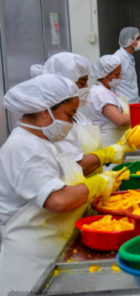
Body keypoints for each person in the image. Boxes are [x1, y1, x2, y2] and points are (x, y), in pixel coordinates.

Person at [0, 75, 129, 294]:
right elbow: (58, 200)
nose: (70, 123)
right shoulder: (22, 148)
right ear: (44, 110)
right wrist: (99, 183)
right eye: (69, 115)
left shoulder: (45, 143)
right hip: (32, 265)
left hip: (54, 252)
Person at [30, 53, 140, 177]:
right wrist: (110, 153)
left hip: (90, 177)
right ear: (61, 85)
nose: (87, 88)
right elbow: (74, 166)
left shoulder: (78, 117)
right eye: (82, 84)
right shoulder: (55, 124)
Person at [88, 55, 131, 148]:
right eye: (116, 75)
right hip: (108, 144)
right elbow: (119, 120)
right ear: (104, 74)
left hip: (117, 142)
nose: (120, 78)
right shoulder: (100, 93)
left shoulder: (108, 90)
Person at [113, 27, 140, 104]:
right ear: (129, 41)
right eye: (138, 38)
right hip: (124, 104)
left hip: (133, 101)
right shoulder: (117, 58)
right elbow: (111, 82)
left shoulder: (130, 57)